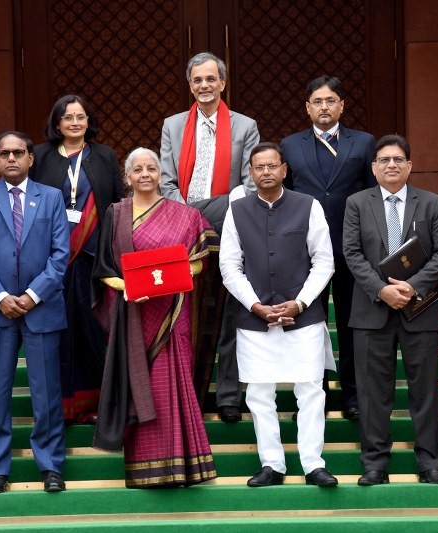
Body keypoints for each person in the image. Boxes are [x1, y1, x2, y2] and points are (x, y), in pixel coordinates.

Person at [92, 147, 218, 488]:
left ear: (161, 174)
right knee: (141, 383)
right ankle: (147, 468)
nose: (145, 174)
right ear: (127, 177)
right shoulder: (116, 214)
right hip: (133, 313)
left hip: (172, 314)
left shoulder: (186, 215)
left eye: (151, 168)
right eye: (137, 169)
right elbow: (103, 269)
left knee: (172, 382)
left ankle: (183, 465)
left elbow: (200, 261)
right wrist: (129, 288)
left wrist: (179, 276)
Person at [220, 142, 338, 488]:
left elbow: (324, 261)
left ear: (284, 170)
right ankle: (272, 464)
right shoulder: (237, 210)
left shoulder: (308, 205)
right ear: (250, 173)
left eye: (272, 166)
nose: (266, 172)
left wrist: (300, 303)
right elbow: (229, 266)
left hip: (303, 317)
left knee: (311, 390)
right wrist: (254, 304)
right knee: (258, 394)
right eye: (259, 167)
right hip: (254, 319)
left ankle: (313, 464)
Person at [342, 134, 438, 486]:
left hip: (420, 309)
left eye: (398, 159)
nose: (391, 165)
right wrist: (382, 290)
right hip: (371, 311)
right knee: (372, 392)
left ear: (409, 165)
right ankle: (375, 463)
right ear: (374, 168)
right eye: (384, 160)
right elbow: (352, 253)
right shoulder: (357, 203)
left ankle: (431, 462)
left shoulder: (432, 203)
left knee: (425, 389)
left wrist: (412, 287)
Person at [0, 131, 70, 494]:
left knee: (46, 393)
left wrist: (31, 296)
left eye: (18, 152)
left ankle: (51, 466)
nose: (11, 158)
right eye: (4, 153)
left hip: (42, 308)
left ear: (30, 158)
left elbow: (61, 255)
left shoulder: (51, 197)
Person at [159, 52, 260, 422]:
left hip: (232, 228)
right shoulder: (172, 126)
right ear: (190, 85)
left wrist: (212, 211)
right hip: (182, 232)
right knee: (186, 316)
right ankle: (189, 394)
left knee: (231, 312)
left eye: (211, 79)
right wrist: (189, 218)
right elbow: (166, 182)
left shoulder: (245, 126)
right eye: (197, 80)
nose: (204, 85)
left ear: (223, 83)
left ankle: (229, 396)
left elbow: (249, 185)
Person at [281, 75, 376, 421]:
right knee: (309, 327)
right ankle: (312, 396)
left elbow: (372, 194)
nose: (324, 107)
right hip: (306, 251)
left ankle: (353, 397)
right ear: (307, 108)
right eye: (317, 101)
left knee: (352, 325)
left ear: (342, 106)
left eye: (330, 100)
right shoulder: (290, 146)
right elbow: (287, 197)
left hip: (353, 249)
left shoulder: (364, 143)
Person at [29, 95, 124, 424]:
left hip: (93, 260)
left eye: (80, 117)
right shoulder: (40, 156)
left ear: (88, 121)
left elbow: (116, 204)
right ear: (57, 122)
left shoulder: (104, 156)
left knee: (91, 333)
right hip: (51, 261)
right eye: (67, 117)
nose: (74, 122)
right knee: (58, 335)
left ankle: (94, 406)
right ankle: (57, 406)